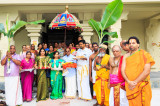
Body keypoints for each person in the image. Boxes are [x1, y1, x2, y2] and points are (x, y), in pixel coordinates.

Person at [121, 36, 155, 106]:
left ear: (138, 44)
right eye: (130, 43)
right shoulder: (126, 56)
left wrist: (134, 82)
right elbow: (122, 70)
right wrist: (128, 81)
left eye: (133, 43)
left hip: (142, 85)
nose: (131, 45)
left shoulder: (144, 54)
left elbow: (146, 71)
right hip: (130, 85)